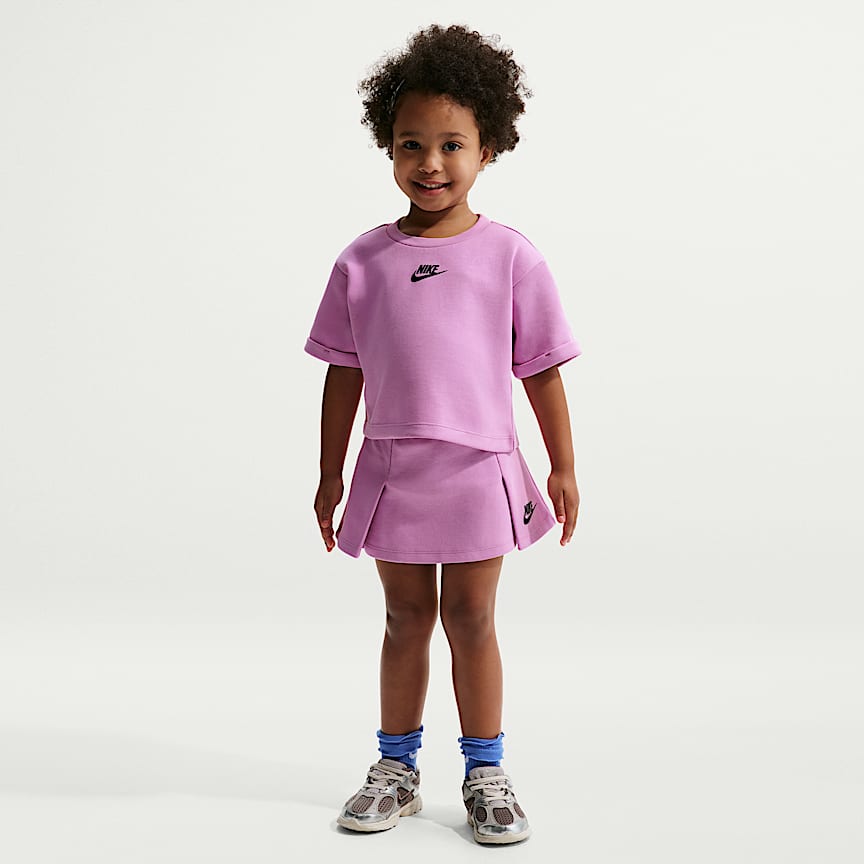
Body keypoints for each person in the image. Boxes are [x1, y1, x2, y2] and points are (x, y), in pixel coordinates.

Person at [304, 24, 582, 845]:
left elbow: (541, 370)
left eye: (451, 144)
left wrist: (563, 467)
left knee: (472, 619)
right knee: (403, 619)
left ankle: (486, 772)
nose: (430, 163)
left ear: (487, 148)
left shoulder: (511, 257)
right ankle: (395, 769)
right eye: (411, 144)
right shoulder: (362, 262)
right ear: (388, 148)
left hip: (478, 470)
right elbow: (343, 374)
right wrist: (330, 474)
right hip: (393, 469)